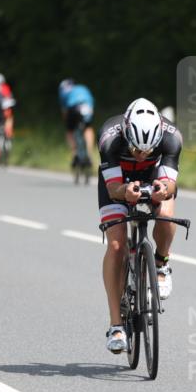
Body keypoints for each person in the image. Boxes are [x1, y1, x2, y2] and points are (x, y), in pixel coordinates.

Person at [97, 98, 182, 354]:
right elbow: (113, 188)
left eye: (148, 150)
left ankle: (161, 263)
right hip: (118, 180)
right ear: (126, 133)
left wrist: (163, 189)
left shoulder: (172, 137)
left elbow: (170, 184)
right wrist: (126, 191)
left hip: (153, 176)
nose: (142, 155)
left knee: (166, 214)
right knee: (116, 244)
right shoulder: (109, 139)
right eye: (136, 149)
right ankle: (116, 326)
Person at [58, 78, 95, 168]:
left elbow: (64, 111)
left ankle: (74, 153)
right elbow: (91, 103)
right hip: (86, 107)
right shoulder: (82, 87)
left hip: (73, 108)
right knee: (88, 128)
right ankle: (89, 153)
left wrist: (67, 122)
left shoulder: (63, 91)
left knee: (70, 131)